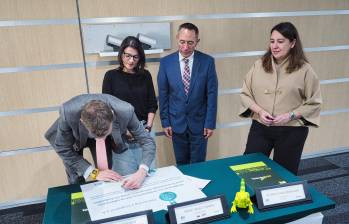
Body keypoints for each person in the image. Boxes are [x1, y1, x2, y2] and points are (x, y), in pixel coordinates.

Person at [239, 22, 322, 175]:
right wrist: (259, 111)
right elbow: (245, 94)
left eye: (280, 41)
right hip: (260, 127)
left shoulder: (305, 69)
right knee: (249, 170)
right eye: (272, 41)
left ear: (293, 43)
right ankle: (249, 199)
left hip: (291, 130)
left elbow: (314, 103)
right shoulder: (258, 65)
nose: (275, 46)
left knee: (285, 175)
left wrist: (290, 115)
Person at [45, 94, 156, 189]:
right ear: (82, 122)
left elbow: (147, 141)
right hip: (74, 138)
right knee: (75, 175)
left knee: (107, 171)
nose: (101, 138)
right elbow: (63, 149)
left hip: (100, 132)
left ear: (112, 116)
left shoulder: (125, 110)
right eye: (97, 136)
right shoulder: (68, 112)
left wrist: (142, 171)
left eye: (104, 134)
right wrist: (93, 173)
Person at [157, 22, 218, 165]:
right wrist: (165, 122)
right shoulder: (166, 62)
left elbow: (212, 94)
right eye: (182, 42)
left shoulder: (207, 62)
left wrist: (210, 123)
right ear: (177, 38)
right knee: (182, 163)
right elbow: (163, 94)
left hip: (200, 124)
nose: (185, 47)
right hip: (176, 123)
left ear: (197, 41)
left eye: (190, 43)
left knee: (198, 164)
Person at [102, 36, 158, 171]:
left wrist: (148, 128)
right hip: (121, 135)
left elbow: (152, 104)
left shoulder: (145, 75)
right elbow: (107, 109)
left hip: (145, 131)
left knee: (148, 174)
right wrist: (124, 131)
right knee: (125, 178)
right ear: (121, 54)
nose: (131, 60)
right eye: (127, 56)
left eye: (135, 57)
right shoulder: (110, 76)